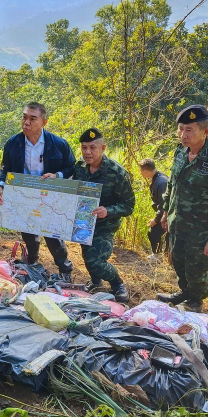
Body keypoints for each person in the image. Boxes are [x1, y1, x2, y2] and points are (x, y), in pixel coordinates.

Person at [157, 104, 208, 312]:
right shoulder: (180, 152)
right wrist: (166, 211)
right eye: (181, 129)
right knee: (179, 262)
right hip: (178, 223)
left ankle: (195, 301)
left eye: (190, 130)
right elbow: (172, 185)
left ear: (205, 132)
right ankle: (184, 292)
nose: (183, 135)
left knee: (197, 269)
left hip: (202, 230)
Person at [0, 102, 76, 281]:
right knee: (29, 233)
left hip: (50, 196)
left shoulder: (58, 144)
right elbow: (5, 169)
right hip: (26, 196)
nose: (26, 123)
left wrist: (58, 175)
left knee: (53, 235)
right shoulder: (13, 143)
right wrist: (0, 185)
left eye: (32, 119)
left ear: (44, 122)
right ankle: (33, 265)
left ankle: (65, 270)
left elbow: (71, 166)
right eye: (24, 117)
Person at [72, 128, 135, 302]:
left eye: (93, 147)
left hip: (105, 224)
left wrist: (108, 211)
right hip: (84, 221)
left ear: (103, 148)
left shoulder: (117, 173)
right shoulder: (79, 169)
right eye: (84, 147)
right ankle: (95, 281)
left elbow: (129, 206)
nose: (88, 152)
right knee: (87, 257)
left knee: (95, 260)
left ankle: (117, 283)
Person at [138, 158, 168, 257]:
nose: (140, 173)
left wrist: (156, 220)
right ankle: (162, 254)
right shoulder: (156, 178)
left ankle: (158, 256)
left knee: (154, 232)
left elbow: (163, 205)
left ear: (145, 171)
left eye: (141, 171)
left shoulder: (161, 182)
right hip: (165, 213)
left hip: (170, 214)